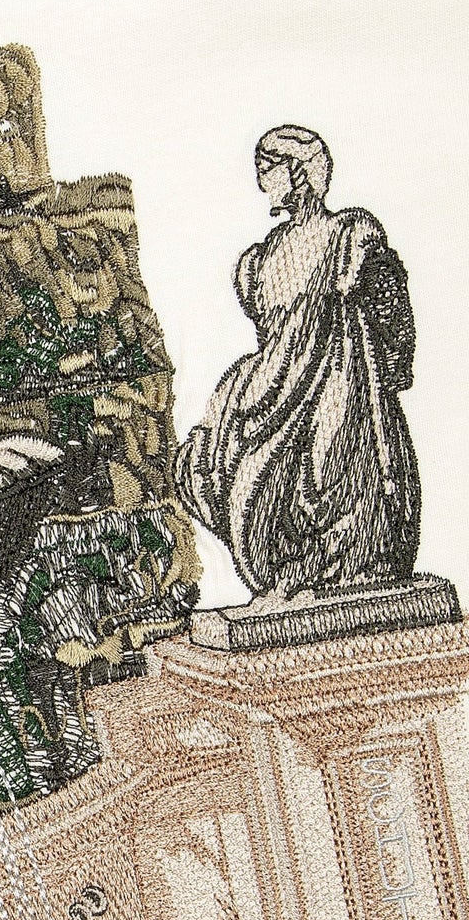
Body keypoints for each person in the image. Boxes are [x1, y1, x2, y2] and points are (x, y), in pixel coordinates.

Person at [177, 127, 420, 601]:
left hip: (341, 385)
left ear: (298, 172)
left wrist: (387, 369)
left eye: (267, 170)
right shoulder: (258, 259)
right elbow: (272, 338)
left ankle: (348, 564)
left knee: (333, 470)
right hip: (273, 389)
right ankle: (287, 565)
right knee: (215, 463)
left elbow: (392, 314)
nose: (261, 182)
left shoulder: (349, 235)